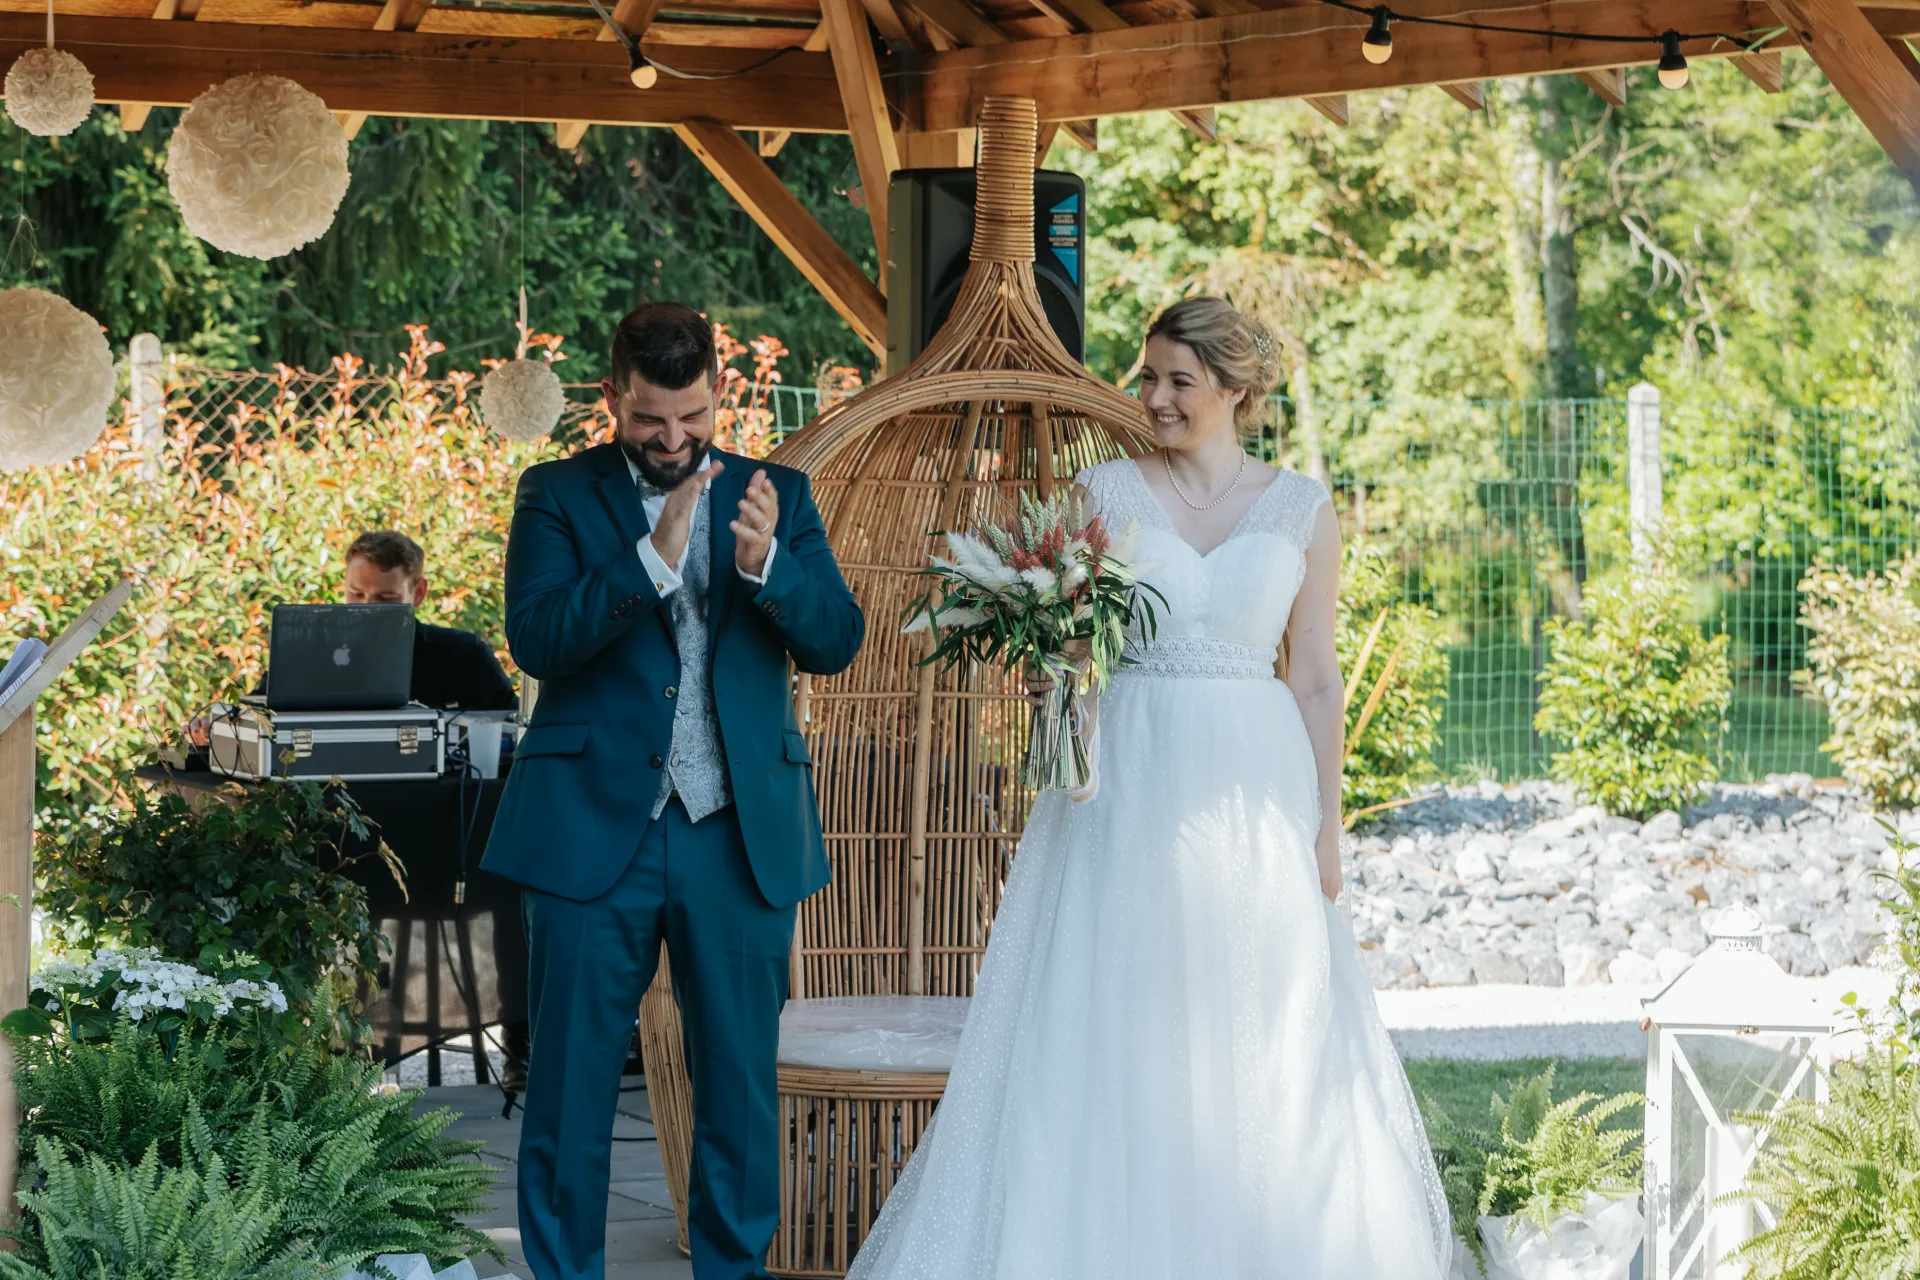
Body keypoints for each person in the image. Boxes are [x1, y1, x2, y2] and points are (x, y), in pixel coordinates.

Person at [844, 296, 1452, 1279]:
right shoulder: (1107, 490)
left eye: (1179, 380)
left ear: (1235, 390)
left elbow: (1315, 676)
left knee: (1273, 1015)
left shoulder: (1301, 506)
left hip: (1259, 782)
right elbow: (1077, 651)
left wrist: (1327, 831)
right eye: (1150, 375)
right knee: (1115, 1011)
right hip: (1128, 781)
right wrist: (1048, 672)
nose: (1154, 397)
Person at [481, 301, 864, 1280]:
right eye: (651, 418)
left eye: (692, 417)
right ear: (612, 398)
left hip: (735, 831)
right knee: (568, 1087)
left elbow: (836, 640)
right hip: (587, 828)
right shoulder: (556, 493)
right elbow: (539, 636)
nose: (673, 438)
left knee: (736, 1084)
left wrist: (767, 566)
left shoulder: (779, 492)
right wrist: (652, 556)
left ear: (720, 394)